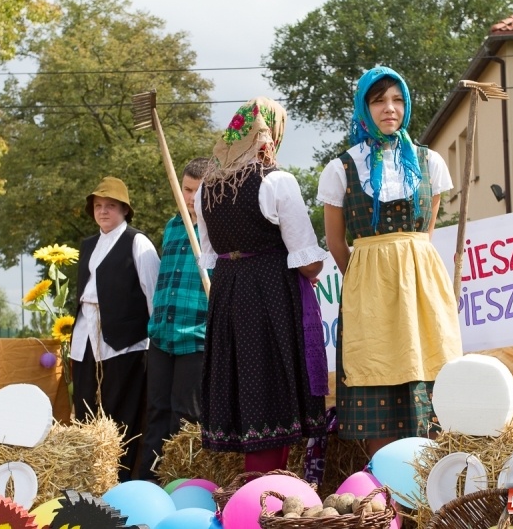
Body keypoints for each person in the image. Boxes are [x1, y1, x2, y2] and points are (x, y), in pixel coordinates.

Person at [317, 66, 463, 457]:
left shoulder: (429, 162)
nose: (389, 108)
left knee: (428, 374)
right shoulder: (342, 167)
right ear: (364, 107)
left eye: (397, 99)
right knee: (376, 382)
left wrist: (410, 272)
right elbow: (335, 241)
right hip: (368, 285)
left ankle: (431, 484)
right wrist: (367, 278)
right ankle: (385, 486)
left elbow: (425, 231)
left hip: (420, 281)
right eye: (379, 100)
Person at [195, 97, 329, 474]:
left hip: (227, 292)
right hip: (268, 290)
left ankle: (261, 480)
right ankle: (262, 486)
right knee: (271, 385)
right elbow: (307, 258)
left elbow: (210, 252)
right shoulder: (276, 181)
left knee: (246, 382)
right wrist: (312, 267)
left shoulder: (207, 188)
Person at [69, 176, 160, 482]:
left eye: (110, 206)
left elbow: (153, 294)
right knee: (84, 413)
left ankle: (119, 482)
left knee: (121, 418)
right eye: (98, 206)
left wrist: (155, 343)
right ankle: (88, 480)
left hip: (126, 345)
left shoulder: (138, 242)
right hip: (86, 342)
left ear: (124, 209)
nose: (103, 211)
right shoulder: (88, 245)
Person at [139, 157, 210, 481]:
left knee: (185, 418)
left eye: (198, 190)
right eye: (186, 189)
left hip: (195, 336)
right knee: (156, 411)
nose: (191, 197)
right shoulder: (172, 227)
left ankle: (178, 483)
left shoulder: (216, 230)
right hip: (162, 334)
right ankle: (148, 482)